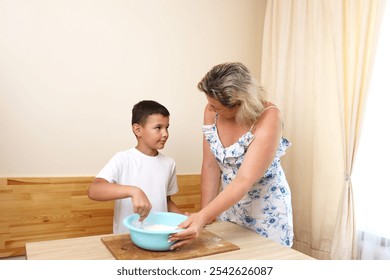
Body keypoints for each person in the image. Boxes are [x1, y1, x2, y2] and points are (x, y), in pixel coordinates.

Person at [170, 62, 293, 249]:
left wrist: (203, 217)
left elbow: (244, 179)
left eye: (216, 107)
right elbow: (210, 166)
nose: (210, 109)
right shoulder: (211, 111)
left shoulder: (269, 117)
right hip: (228, 207)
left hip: (266, 214)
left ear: (240, 103)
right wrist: (207, 215)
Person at [88, 100, 182, 234]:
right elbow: (93, 190)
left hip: (157, 236)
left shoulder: (169, 163)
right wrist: (134, 191)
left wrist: (183, 220)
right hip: (126, 239)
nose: (165, 133)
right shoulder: (123, 159)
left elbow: (166, 200)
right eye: (158, 128)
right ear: (138, 129)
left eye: (167, 127)